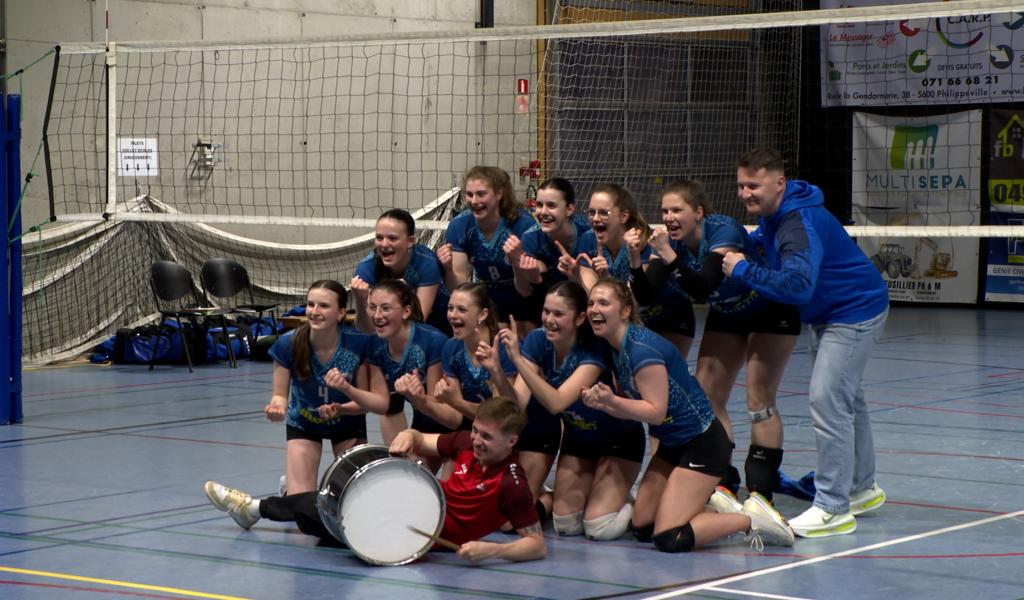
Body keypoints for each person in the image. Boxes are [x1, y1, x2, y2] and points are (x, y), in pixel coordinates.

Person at [723, 147, 889, 538]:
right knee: (849, 400)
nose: (746, 193)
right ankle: (861, 487)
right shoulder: (775, 216)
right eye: (741, 185)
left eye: (755, 185)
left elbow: (798, 286)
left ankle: (833, 507)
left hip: (853, 312)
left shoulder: (797, 221)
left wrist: (742, 269)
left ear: (779, 183)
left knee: (828, 400)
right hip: (833, 312)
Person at [581, 278, 794, 552]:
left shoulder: (641, 350)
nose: (594, 309)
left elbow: (655, 413)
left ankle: (751, 520)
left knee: (669, 537)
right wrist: (605, 402)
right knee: (644, 526)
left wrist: (610, 402)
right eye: (591, 303)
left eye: (603, 303)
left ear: (624, 311)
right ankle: (707, 505)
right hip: (674, 444)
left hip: (702, 445)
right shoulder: (616, 346)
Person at [203, 396, 546, 564]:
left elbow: (536, 544)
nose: (475, 440)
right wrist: (407, 438)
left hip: (417, 538)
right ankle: (256, 507)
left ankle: (258, 506)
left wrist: (492, 550)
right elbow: (419, 437)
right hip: (406, 506)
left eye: (486, 436)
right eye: (475, 431)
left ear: (511, 442)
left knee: (317, 515)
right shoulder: (463, 443)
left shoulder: (512, 485)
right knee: (318, 512)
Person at [630, 180, 800, 506]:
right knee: (707, 396)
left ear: (698, 212)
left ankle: (761, 493)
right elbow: (647, 295)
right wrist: (637, 261)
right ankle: (723, 481)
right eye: (664, 211)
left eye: (677, 210)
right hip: (729, 312)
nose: (668, 217)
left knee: (758, 397)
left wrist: (667, 255)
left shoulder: (723, 230)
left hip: (769, 307)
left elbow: (703, 286)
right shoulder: (671, 244)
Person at [495, 280, 643, 540]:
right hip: (580, 441)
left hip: (618, 441)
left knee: (599, 528)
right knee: (566, 525)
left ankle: (632, 502)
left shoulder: (592, 351)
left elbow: (557, 403)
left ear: (579, 318)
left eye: (559, 314)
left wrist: (517, 360)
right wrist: (497, 371)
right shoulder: (538, 340)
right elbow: (517, 403)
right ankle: (593, 493)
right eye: (546, 311)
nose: (549, 320)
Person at [265, 280, 381, 495]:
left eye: (324, 306)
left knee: (352, 495)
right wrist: (276, 407)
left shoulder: (357, 344)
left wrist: (341, 407)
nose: (315, 312)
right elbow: (279, 395)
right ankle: (289, 487)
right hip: (303, 422)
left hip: (347, 422)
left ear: (340, 313)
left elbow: (363, 403)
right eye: (311, 304)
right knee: (301, 503)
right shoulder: (287, 344)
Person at [559, 183, 695, 359]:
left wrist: (606, 276)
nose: (595, 218)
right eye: (591, 212)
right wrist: (576, 276)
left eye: (604, 212)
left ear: (623, 216)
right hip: (628, 321)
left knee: (662, 378)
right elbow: (594, 298)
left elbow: (634, 302)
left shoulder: (645, 242)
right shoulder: (588, 241)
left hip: (669, 318)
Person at [337, 281, 452, 468]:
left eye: (386, 308)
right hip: (411, 413)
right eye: (372, 307)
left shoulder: (432, 342)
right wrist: (342, 400)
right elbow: (382, 404)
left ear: (406, 312)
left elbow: (439, 407)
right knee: (408, 473)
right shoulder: (374, 344)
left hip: (445, 419)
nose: (377, 315)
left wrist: (417, 397)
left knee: (441, 486)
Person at [438, 166, 535, 325]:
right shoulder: (460, 226)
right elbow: (460, 287)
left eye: (481, 194)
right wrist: (448, 269)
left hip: (524, 302)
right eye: (469, 194)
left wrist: (517, 261)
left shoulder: (523, 225)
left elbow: (527, 290)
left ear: (499, 194)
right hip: (485, 304)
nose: (474, 201)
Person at [351, 209, 450, 334]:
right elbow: (366, 329)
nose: (384, 244)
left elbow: (419, 322)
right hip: (389, 329)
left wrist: (404, 295)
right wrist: (361, 301)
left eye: (392, 238)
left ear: (410, 241)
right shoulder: (366, 268)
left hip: (437, 325)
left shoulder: (426, 263)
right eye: (379, 238)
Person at [510, 178, 592, 328]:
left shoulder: (587, 233)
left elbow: (593, 296)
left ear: (570, 209)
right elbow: (524, 292)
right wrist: (516, 263)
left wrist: (576, 274)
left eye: (551, 206)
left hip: (585, 305)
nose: (543, 212)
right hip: (548, 304)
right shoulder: (531, 238)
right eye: (539, 205)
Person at [435, 282, 517, 423]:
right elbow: (455, 419)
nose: (453, 315)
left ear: (482, 314)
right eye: (450, 308)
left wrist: (454, 402)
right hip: (475, 429)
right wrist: (420, 399)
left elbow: (499, 414)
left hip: (515, 432)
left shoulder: (504, 347)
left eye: (461, 309)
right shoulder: (451, 348)